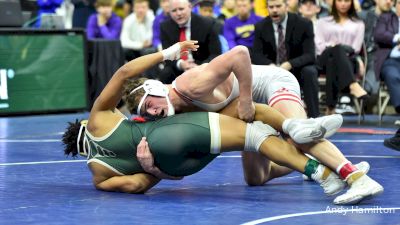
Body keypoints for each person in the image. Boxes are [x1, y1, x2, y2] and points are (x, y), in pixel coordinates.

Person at [62, 41, 383, 205]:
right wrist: (153, 167)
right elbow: (123, 76)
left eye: (150, 109)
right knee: (256, 177)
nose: (152, 116)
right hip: (229, 110)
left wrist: (244, 99)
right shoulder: (166, 118)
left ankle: (346, 173)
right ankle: (307, 157)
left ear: (155, 90)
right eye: (145, 116)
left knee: (286, 131)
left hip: (266, 81)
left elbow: (240, 53)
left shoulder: (191, 84)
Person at [251, 0, 320, 118]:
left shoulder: (303, 24)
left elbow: (310, 55)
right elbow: (256, 55)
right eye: (271, 7)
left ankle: (314, 117)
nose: (274, 10)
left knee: (310, 72)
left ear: (286, 7)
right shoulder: (260, 26)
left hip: (296, 69)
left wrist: (289, 64)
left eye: (278, 6)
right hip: (271, 70)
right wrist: (270, 65)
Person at [315, 0, 367, 115]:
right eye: (339, 0)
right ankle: (352, 85)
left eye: (347, 0)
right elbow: (320, 46)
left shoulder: (358, 24)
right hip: (323, 58)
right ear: (334, 2)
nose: (343, 4)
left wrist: (336, 47)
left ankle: (330, 108)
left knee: (333, 60)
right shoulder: (322, 22)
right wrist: (335, 47)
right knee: (334, 52)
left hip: (349, 61)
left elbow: (356, 48)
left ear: (352, 3)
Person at [159, 0, 221, 83]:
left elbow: (216, 54)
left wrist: (200, 67)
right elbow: (167, 55)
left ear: (190, 7)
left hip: (202, 65)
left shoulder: (207, 24)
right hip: (179, 66)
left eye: (181, 9)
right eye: (174, 10)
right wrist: (181, 64)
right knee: (165, 73)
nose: (178, 13)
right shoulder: (165, 26)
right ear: (169, 12)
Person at [373, 0, 400, 114]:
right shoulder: (386, 18)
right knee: (392, 75)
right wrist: (397, 39)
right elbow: (379, 34)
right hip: (391, 60)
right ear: (396, 5)